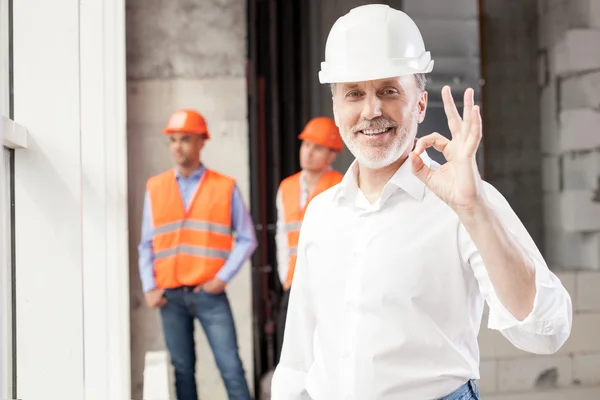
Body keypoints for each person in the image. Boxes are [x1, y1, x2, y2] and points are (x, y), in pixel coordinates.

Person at [271, 5, 572, 400]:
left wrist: (475, 212)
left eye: (389, 90)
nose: (371, 110)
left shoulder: (466, 201)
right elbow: (297, 357)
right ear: (336, 108)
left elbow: (545, 332)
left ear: (419, 103)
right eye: (354, 94)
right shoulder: (322, 213)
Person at [138, 109, 256, 400]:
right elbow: (146, 244)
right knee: (182, 371)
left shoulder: (224, 187)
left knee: (230, 367)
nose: (177, 146)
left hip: (209, 295)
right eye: (173, 140)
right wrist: (149, 286)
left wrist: (221, 278)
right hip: (171, 297)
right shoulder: (156, 187)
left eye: (185, 139)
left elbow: (247, 238)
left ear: (202, 141)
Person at [275, 116, 344, 358]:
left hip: (329, 282)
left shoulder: (342, 186)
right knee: (291, 353)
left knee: (327, 352)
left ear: (332, 154)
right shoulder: (286, 187)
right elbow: (282, 237)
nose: (308, 152)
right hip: (294, 282)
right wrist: (285, 276)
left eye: (317, 147)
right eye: (306, 145)